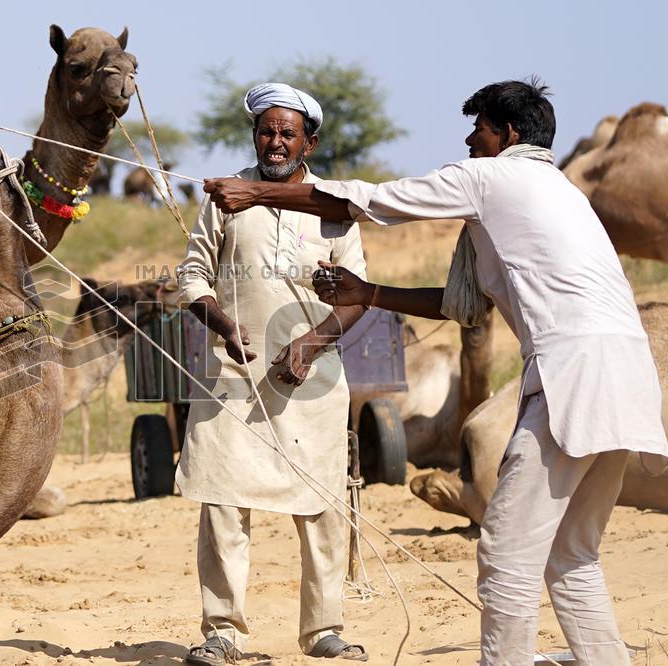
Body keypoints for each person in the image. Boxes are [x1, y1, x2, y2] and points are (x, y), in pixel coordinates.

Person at [203, 78, 668, 666]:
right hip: (629, 376)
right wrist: (369, 293)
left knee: (504, 549)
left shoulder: (491, 178)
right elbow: (465, 306)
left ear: (509, 135)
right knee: (572, 552)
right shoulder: (558, 192)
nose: (469, 139)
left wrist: (254, 193)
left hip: (569, 376)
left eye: (480, 129)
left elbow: (367, 202)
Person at [175, 82, 370, 664]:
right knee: (224, 506)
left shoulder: (334, 209)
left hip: (314, 384)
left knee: (323, 508)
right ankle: (223, 632)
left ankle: (323, 631)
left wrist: (311, 343)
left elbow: (356, 296)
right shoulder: (226, 200)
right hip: (232, 382)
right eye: (267, 131)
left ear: (310, 141)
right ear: (254, 135)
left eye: (288, 133)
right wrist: (221, 322)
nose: (276, 142)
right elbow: (192, 278)